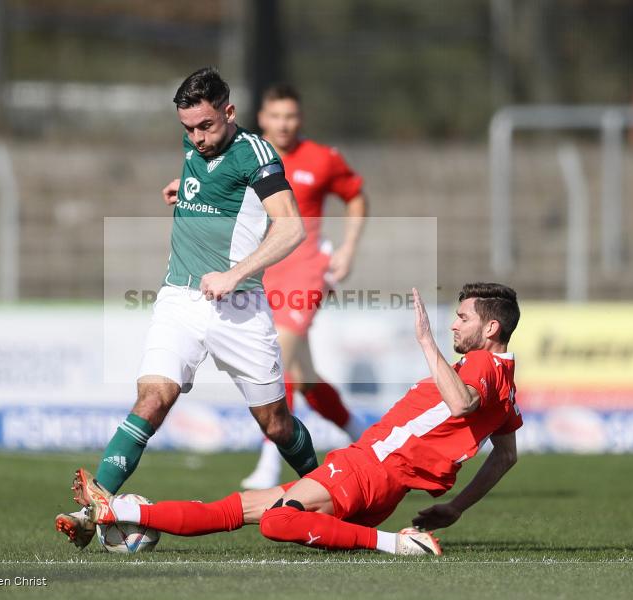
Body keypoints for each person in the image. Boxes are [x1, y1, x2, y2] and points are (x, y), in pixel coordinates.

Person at [55, 67, 320, 548]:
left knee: (276, 424)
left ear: (229, 112)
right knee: (152, 399)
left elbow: (290, 228)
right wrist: (186, 192)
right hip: (179, 298)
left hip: (238, 306)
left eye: (206, 126)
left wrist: (234, 274)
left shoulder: (256, 153)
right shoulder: (195, 145)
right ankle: (91, 512)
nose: (197, 138)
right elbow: (214, 185)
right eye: (188, 129)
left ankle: (333, 496)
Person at [70, 283, 522, 555]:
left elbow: (461, 403)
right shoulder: (506, 386)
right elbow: (505, 457)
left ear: (491, 329)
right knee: (234, 509)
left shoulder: (482, 365)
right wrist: (456, 508)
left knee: (276, 521)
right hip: (379, 480)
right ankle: (115, 511)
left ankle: (397, 545)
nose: (453, 325)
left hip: (370, 468)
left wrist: (425, 342)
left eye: (462, 318)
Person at [241, 84, 370, 489]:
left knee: (275, 358)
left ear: (300, 118)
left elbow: (355, 197)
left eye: (291, 116)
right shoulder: (245, 155)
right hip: (262, 271)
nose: (284, 124)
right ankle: (365, 438)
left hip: (307, 270)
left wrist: (348, 248)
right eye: (276, 116)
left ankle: (270, 462)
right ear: (262, 118)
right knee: (306, 377)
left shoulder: (322, 158)